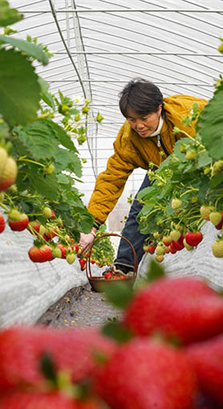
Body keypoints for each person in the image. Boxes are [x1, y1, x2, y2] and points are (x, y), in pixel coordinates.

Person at [79, 79, 207, 273]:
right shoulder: (128, 138)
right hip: (162, 170)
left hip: (198, 163)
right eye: (132, 120)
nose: (139, 125)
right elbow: (112, 179)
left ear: (159, 108)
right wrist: (92, 226)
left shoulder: (188, 115)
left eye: (144, 118)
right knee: (141, 208)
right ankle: (124, 265)